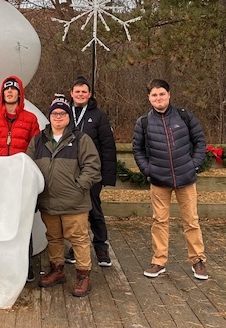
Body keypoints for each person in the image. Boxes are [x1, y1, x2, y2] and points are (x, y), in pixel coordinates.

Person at [132, 79, 208, 280]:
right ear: (149, 97)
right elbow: (137, 149)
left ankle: (198, 260)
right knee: (159, 221)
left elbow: (200, 141)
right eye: (154, 95)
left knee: (191, 220)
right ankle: (158, 261)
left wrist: (194, 165)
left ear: (169, 95)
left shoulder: (184, 116)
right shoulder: (144, 122)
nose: (158, 98)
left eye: (162, 94)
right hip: (159, 180)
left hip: (186, 177)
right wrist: (148, 170)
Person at [26, 94, 102, 297]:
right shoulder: (38, 140)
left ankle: (83, 275)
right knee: (54, 237)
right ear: (49, 117)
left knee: (78, 239)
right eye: (54, 113)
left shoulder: (80, 139)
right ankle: (57, 270)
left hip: (74, 202)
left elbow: (92, 166)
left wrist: (79, 187)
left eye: (62, 113)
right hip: (48, 201)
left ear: (68, 117)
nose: (58, 117)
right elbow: (29, 167)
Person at [0, 75, 40, 281]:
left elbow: (35, 148)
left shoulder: (30, 119)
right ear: (2, 93)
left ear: (20, 93)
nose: (10, 93)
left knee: (22, 223)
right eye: (6, 90)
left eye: (13, 90)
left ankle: (26, 266)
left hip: (19, 178)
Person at [66, 76, 117, 267]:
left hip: (93, 172)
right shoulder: (63, 114)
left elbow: (108, 146)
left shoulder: (99, 116)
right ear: (71, 93)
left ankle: (101, 245)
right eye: (77, 91)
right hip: (69, 172)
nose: (80, 94)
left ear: (89, 94)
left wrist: (107, 176)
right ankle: (76, 245)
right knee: (75, 212)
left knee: (94, 209)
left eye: (84, 91)